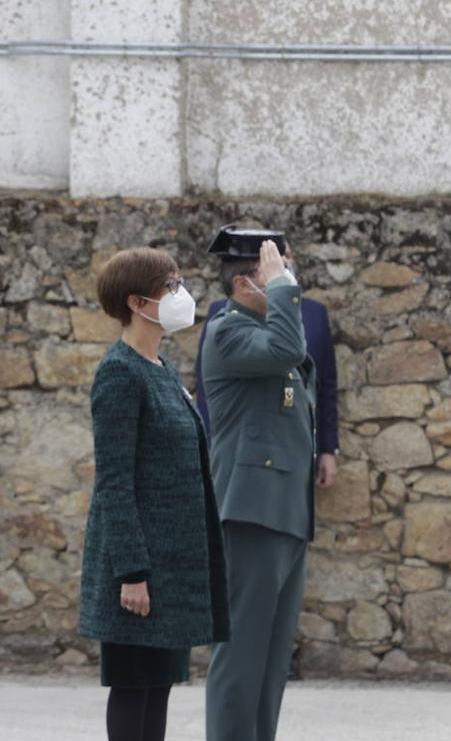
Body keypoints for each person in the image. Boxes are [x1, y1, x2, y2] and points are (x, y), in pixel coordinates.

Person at [79, 248, 229, 741]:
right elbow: (115, 481)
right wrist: (132, 572)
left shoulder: (160, 367)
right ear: (137, 301)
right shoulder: (120, 373)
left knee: (159, 684)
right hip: (140, 569)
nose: (179, 295)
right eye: (169, 286)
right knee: (133, 687)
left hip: (171, 567)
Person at [199, 227, 316, 741]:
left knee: (270, 666)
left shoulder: (265, 330)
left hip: (285, 513)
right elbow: (288, 348)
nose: (291, 280)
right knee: (241, 657)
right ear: (248, 284)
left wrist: (282, 290)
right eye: (279, 270)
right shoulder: (228, 330)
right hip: (250, 514)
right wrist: (284, 289)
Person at [195, 236, 339, 487]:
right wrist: (211, 443)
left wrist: (327, 447)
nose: (283, 270)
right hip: (251, 458)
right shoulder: (227, 319)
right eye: (273, 262)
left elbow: (325, 384)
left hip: (296, 452)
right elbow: (207, 389)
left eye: (286, 261)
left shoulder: (315, 313)